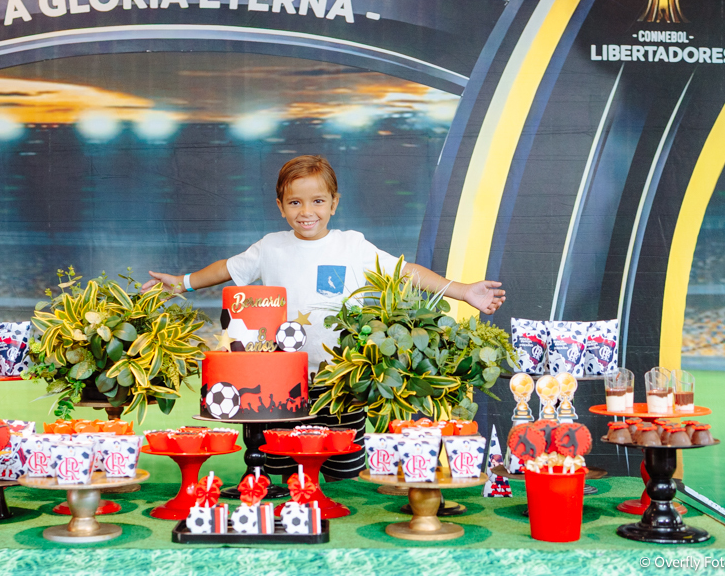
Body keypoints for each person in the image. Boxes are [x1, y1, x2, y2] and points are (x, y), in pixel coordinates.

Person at [143, 154, 505, 477]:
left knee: (343, 466)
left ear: (334, 203)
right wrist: (182, 282)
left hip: (340, 381)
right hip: (280, 385)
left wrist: (462, 290)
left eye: (317, 201)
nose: (306, 211)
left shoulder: (352, 246)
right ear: (280, 206)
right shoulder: (269, 247)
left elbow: (405, 271)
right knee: (279, 464)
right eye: (295, 202)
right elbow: (227, 269)